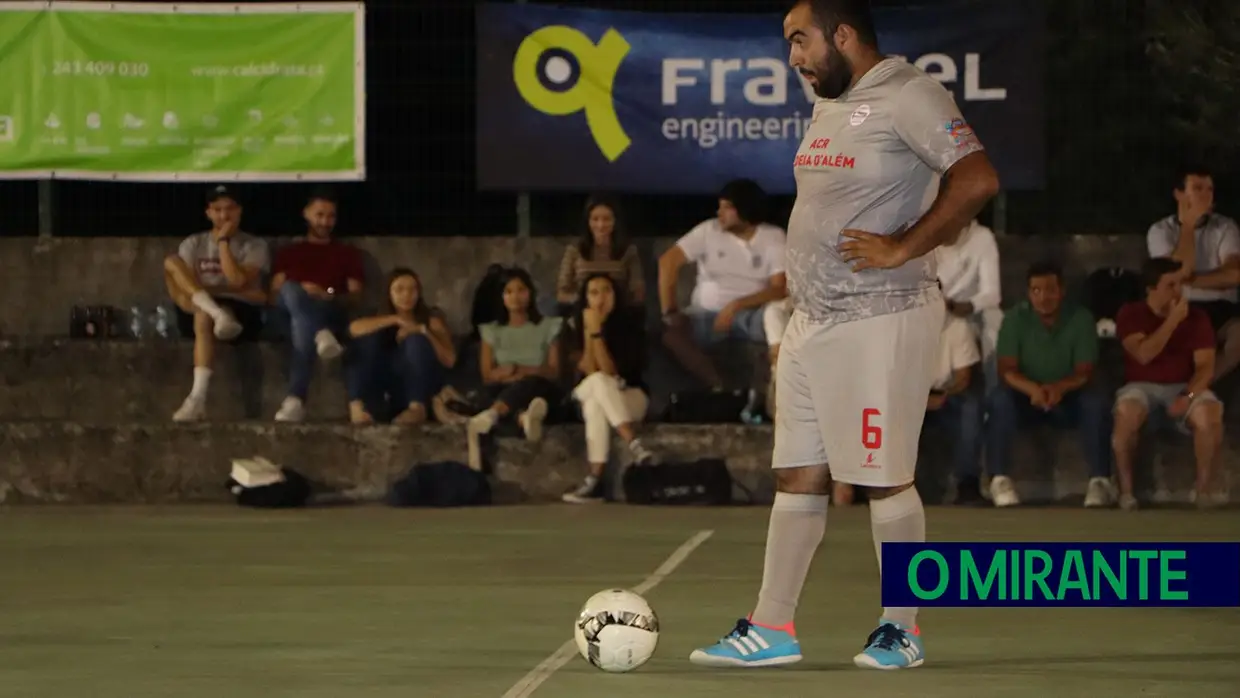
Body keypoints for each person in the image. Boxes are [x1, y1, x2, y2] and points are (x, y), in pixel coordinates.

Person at [688, 0, 999, 671]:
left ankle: (902, 629)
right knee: (797, 475)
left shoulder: (911, 93)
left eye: (801, 41)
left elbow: (976, 179)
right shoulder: (828, 100)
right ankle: (772, 627)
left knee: (886, 479)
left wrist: (904, 245)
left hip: (881, 315)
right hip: (813, 320)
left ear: (845, 35)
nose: (793, 57)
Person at [986, 262, 1112, 509]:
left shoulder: (1081, 318)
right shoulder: (1014, 318)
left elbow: (1085, 370)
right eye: (1036, 291)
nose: (1044, 298)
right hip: (1027, 398)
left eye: (1050, 290)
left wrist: (1059, 388)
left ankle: (1101, 480)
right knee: (1000, 400)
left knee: (1095, 402)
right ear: (1028, 293)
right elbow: (1006, 369)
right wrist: (1032, 389)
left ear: (1062, 291)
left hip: (1068, 398)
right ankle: (999, 479)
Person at [1113, 257, 1224, 510]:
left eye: (1180, 285)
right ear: (1151, 289)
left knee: (1210, 411)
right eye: (1171, 285)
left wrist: (1189, 394)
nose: (1179, 291)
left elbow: (1205, 367)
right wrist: (1173, 320)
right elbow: (1144, 354)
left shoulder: (1197, 318)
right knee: (1126, 411)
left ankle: (1203, 492)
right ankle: (1126, 493)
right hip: (1141, 385)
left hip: (1184, 385)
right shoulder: (1131, 314)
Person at [658, 178, 790, 391]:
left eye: (727, 208)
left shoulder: (772, 236)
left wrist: (736, 305)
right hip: (705, 316)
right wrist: (670, 311)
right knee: (671, 336)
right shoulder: (708, 231)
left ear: (745, 209)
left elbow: (779, 288)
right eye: (719, 207)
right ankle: (721, 388)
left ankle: (778, 390)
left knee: (782, 323)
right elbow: (667, 263)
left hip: (752, 315)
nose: (719, 213)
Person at [163, 185, 270, 422]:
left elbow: (238, 279)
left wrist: (222, 241)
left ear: (240, 211)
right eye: (218, 209)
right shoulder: (193, 243)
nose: (224, 216)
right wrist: (210, 296)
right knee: (171, 263)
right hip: (200, 307)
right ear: (208, 213)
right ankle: (216, 314)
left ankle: (197, 398)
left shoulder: (254, 245)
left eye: (230, 209)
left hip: (240, 312)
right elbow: (185, 284)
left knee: (203, 311)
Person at [269, 190, 366, 422]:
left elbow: (355, 296)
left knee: (304, 326)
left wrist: (327, 294)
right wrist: (301, 293)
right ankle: (320, 333)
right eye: (319, 215)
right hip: (287, 314)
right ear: (306, 214)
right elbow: (273, 295)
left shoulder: (346, 253)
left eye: (330, 216)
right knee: (292, 290)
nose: (325, 222)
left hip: (328, 311)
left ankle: (296, 399)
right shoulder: (289, 253)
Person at [560, 274, 656, 504]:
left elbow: (611, 371)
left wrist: (597, 333)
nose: (601, 298)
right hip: (593, 391)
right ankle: (633, 443)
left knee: (599, 390)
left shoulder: (630, 327)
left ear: (616, 296)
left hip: (630, 397)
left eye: (606, 291)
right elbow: (588, 369)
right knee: (596, 389)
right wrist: (589, 331)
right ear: (585, 299)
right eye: (593, 293)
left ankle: (595, 481)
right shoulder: (574, 329)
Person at [1146, 165, 1240, 383]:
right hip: (1181, 307)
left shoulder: (1225, 227)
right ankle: (1193, 394)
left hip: (1222, 309)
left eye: (1209, 189)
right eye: (1197, 188)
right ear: (1179, 194)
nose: (1205, 195)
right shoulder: (1161, 231)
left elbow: (1234, 275)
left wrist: (1190, 279)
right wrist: (1188, 225)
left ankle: (1193, 391)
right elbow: (1174, 273)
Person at [466, 268, 564, 470]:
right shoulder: (492, 331)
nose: (515, 297)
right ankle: (522, 418)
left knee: (531, 385)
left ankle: (493, 415)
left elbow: (554, 371)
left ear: (530, 293)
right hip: (504, 388)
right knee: (483, 395)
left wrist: (524, 370)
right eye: (509, 291)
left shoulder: (548, 326)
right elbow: (487, 375)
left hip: (538, 386)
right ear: (501, 297)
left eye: (521, 290)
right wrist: (505, 374)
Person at [346, 268, 457, 425]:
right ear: (389, 293)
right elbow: (353, 330)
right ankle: (357, 405)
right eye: (400, 289)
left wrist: (424, 332)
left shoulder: (430, 320)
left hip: (416, 385)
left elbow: (450, 360)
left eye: (413, 289)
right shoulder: (378, 317)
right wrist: (395, 319)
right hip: (383, 386)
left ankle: (417, 407)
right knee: (365, 340)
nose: (407, 295)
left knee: (415, 340)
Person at [555, 196, 645, 312]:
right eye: (595, 219)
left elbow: (638, 292)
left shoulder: (628, 251)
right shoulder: (574, 250)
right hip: (581, 313)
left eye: (607, 219)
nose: (601, 225)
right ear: (588, 221)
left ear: (615, 221)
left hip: (618, 313)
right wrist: (588, 301)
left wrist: (611, 302)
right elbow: (562, 293)